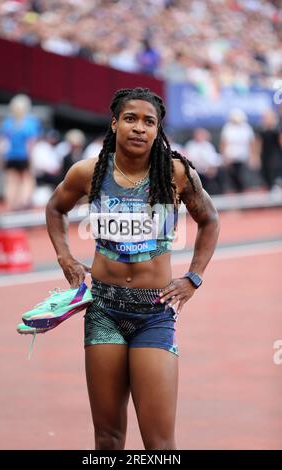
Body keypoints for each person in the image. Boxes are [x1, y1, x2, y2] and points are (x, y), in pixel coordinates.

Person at [45, 87, 220, 450]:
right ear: (114, 124)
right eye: (130, 119)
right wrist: (65, 257)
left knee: (159, 442)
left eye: (148, 122)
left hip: (155, 312)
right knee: (108, 438)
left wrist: (193, 277)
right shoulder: (87, 172)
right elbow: (55, 208)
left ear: (158, 130)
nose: (139, 128)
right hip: (103, 310)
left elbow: (209, 220)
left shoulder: (176, 173)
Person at [0, 94, 41, 211]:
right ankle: (23, 203)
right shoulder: (31, 122)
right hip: (24, 156)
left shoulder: (7, 123)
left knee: (11, 182)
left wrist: (1, 159)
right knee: (28, 180)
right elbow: (30, 144)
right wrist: (31, 161)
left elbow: (2, 144)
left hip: (10, 157)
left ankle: (10, 206)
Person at [220, 108, 255, 193]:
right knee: (233, 177)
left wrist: (253, 157)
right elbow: (223, 143)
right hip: (231, 157)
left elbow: (251, 143)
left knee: (242, 177)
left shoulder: (246, 127)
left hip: (243, 157)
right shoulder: (227, 127)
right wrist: (224, 156)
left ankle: (242, 193)